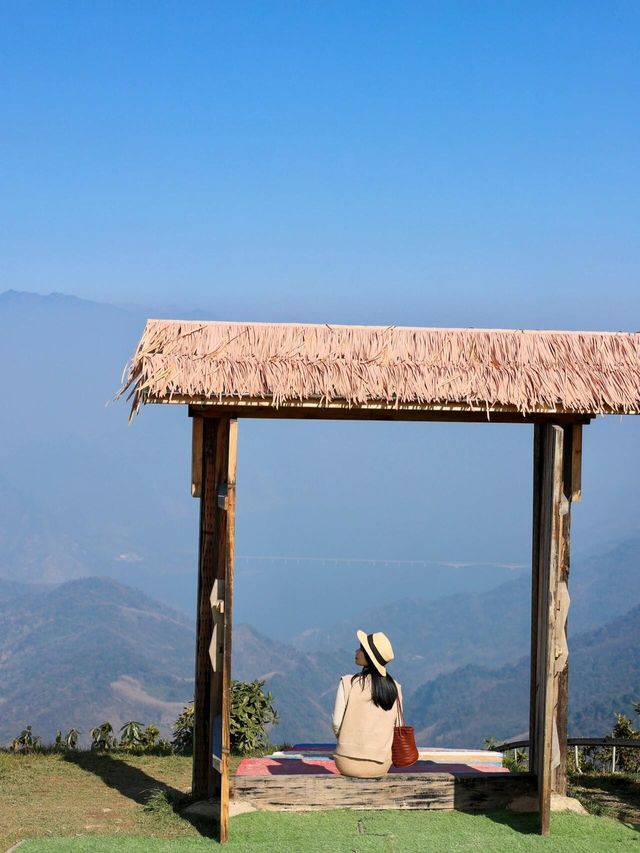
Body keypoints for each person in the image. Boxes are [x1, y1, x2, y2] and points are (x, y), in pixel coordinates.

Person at [332, 629, 402, 778]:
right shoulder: (395, 688)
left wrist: (347, 740)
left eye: (362, 649)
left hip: (346, 763)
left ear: (370, 657)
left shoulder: (347, 683)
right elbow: (399, 727)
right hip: (380, 765)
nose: (357, 651)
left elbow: (337, 723)